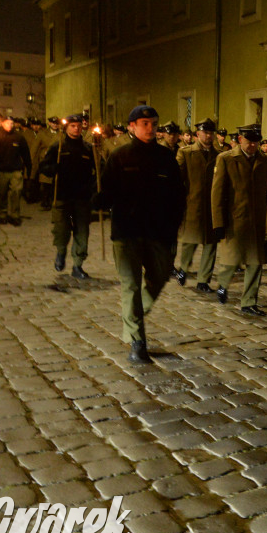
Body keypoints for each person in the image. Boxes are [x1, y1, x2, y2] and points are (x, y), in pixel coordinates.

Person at [95, 105, 185, 364]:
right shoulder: (119, 156)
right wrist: (100, 198)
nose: (150, 128)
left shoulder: (166, 158)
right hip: (126, 232)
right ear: (132, 126)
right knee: (131, 285)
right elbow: (107, 190)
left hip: (158, 232)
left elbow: (178, 196)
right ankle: (137, 341)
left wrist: (173, 228)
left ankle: (133, 313)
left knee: (158, 278)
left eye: (153, 123)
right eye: (144, 123)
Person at [212, 124, 267, 315]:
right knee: (231, 260)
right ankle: (222, 284)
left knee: (256, 262)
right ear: (240, 140)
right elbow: (217, 193)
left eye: (255, 142)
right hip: (234, 220)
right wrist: (218, 223)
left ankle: (248, 302)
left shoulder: (266, 162)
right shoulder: (226, 159)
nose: (252, 146)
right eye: (249, 142)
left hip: (257, 220)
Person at [39, 113, 98, 278]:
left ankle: (78, 265)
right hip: (62, 195)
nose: (76, 128)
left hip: (82, 197)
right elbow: (44, 167)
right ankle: (61, 251)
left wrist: (94, 187)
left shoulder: (88, 148)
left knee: (82, 232)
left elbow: (98, 171)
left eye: (79, 126)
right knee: (61, 230)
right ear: (66, 127)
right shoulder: (58, 147)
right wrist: (53, 169)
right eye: (73, 126)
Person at [174, 118, 221, 293]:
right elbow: (178, 179)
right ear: (197, 134)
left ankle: (203, 280)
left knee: (211, 244)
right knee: (189, 241)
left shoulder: (219, 155)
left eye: (211, 133)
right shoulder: (186, 153)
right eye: (205, 133)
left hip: (212, 206)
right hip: (192, 204)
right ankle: (184, 269)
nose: (208, 136)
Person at [0, 114, 32, 225]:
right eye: (7, 123)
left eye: (12, 123)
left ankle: (14, 215)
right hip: (1, 170)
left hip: (15, 170)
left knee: (16, 193)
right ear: (2, 124)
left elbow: (25, 153)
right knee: (1, 193)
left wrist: (28, 166)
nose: (10, 125)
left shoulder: (18, 137)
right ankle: (2, 214)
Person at [36, 116, 62, 210]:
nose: (55, 125)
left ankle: (53, 200)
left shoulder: (62, 134)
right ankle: (45, 201)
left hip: (57, 159)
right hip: (46, 160)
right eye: (53, 123)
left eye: (56, 123)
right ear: (49, 123)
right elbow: (35, 148)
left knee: (55, 182)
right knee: (45, 183)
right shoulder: (42, 133)